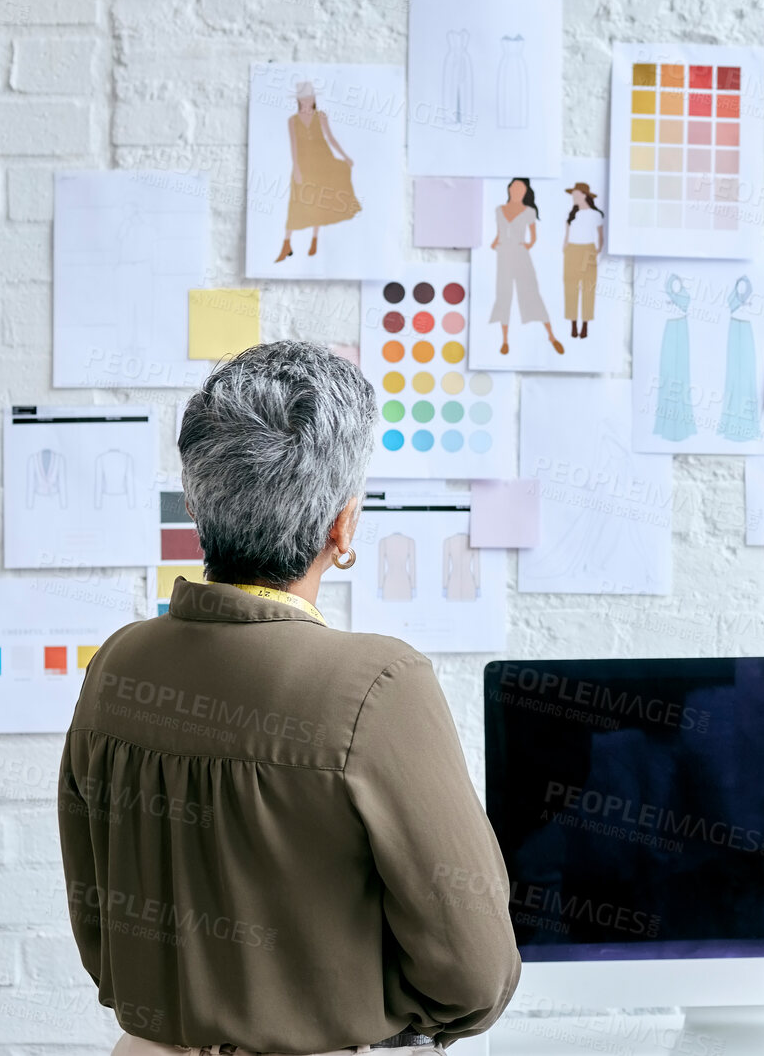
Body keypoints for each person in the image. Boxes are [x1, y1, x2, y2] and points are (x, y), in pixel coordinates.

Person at [58, 342, 520, 1056]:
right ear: (343, 528)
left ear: (197, 511)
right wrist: (360, 1005)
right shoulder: (378, 685)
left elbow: (100, 931)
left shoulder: (120, 662)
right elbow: (475, 973)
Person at [276, 80, 360, 263]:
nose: (307, 101)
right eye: (303, 98)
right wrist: (296, 168)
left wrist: (345, 156)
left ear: (313, 98)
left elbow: (330, 138)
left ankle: (314, 240)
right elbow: (294, 146)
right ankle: (286, 243)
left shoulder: (321, 116)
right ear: (298, 99)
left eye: (310, 98)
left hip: (323, 162)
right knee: (297, 201)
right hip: (304, 165)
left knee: (318, 201)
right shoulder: (292, 121)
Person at [490, 177, 563, 355]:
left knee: (531, 292)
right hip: (504, 255)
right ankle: (504, 340)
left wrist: (526, 246)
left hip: (521, 255)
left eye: (520, 189)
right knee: (503, 294)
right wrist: (495, 244)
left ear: (525, 192)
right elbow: (499, 233)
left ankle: (551, 335)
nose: (516, 192)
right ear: (509, 189)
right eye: (513, 188)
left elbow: (533, 236)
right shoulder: (499, 210)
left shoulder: (529, 211)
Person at [562, 181, 605, 339]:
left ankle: (585, 324)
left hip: (588, 250)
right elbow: (567, 235)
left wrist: (598, 250)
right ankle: (573, 324)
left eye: (576, 194)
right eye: (573, 194)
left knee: (588, 288)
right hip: (572, 250)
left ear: (584, 195)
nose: (573, 197)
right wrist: (565, 246)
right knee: (570, 288)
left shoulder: (596, 215)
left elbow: (601, 236)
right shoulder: (571, 214)